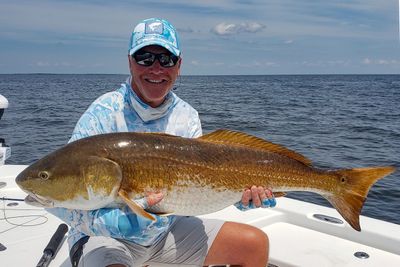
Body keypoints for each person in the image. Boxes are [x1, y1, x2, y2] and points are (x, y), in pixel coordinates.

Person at [48, 18, 276, 267]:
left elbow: (196, 190)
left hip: (163, 232)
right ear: (130, 62)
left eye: (166, 59)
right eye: (144, 58)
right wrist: (111, 222)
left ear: (179, 65)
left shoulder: (187, 116)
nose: (155, 68)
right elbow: (57, 201)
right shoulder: (102, 113)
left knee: (254, 245)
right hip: (104, 238)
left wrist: (237, 197)